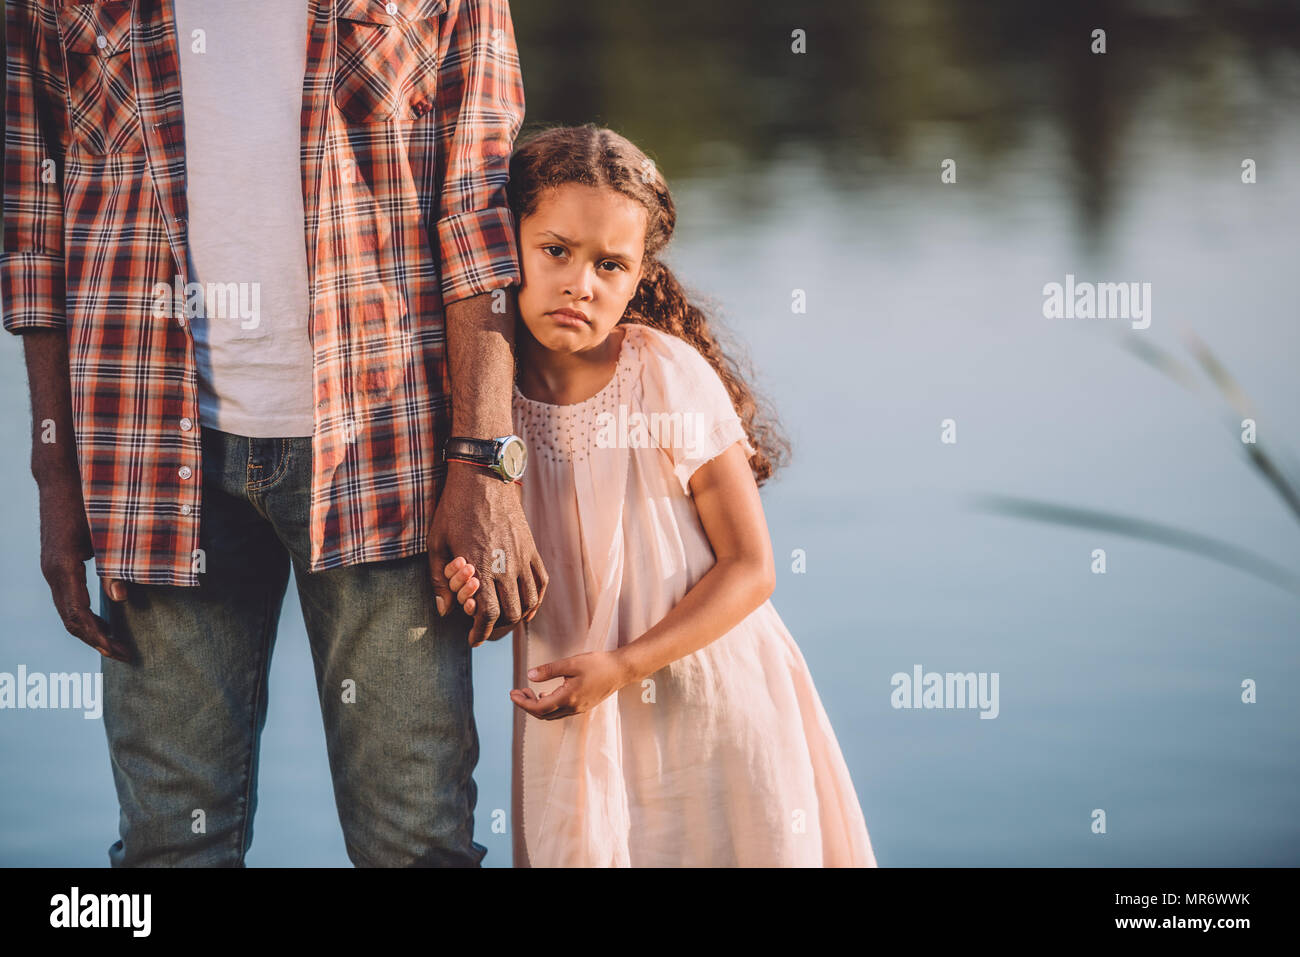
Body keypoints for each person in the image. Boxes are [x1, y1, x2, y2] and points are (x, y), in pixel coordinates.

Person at [1, 0, 544, 866]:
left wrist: (486, 460)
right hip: (143, 456)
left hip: (385, 451)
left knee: (415, 843)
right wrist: (54, 477)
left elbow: (477, 214)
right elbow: (35, 232)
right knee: (168, 850)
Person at [442, 124, 878, 867]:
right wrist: (477, 588)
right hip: (579, 715)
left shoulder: (665, 377)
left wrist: (627, 665)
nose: (581, 283)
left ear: (641, 274)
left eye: (611, 264)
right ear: (508, 242)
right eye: (557, 251)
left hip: (711, 705)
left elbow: (751, 567)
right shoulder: (487, 407)